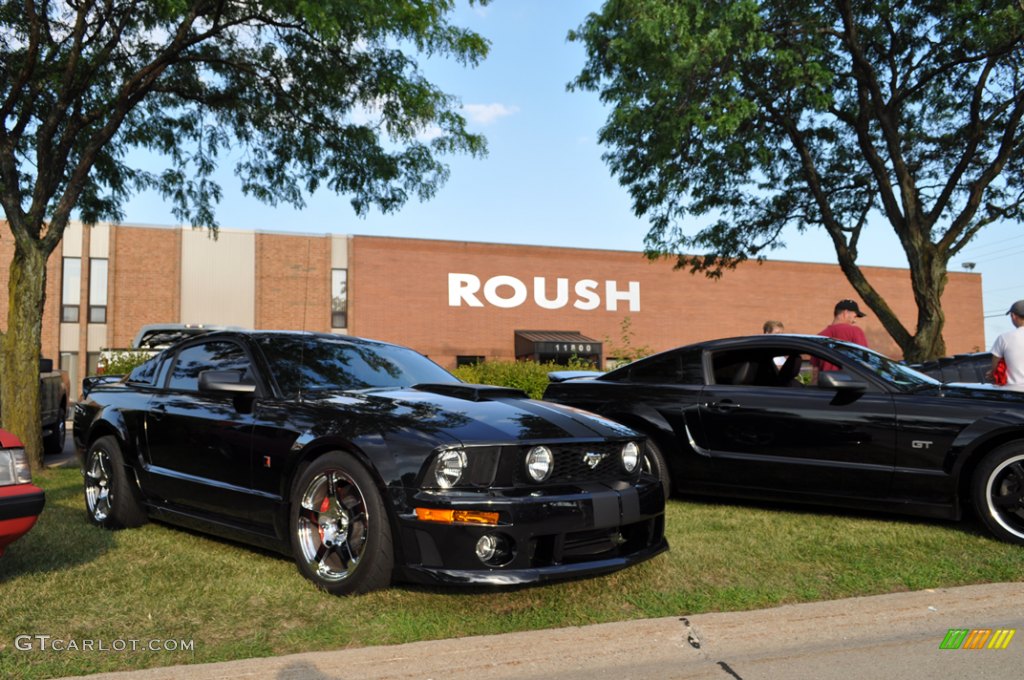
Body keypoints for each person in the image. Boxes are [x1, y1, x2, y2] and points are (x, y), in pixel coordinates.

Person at [813, 299, 868, 374]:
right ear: (845, 313)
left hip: (825, 383)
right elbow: (864, 360)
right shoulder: (855, 331)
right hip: (850, 383)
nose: (855, 321)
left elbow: (815, 371)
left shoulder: (819, 336)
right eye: (854, 316)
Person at [988, 300, 1024, 389]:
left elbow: (995, 368)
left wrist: (991, 374)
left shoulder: (1004, 338)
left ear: (1013, 316)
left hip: (1013, 393)